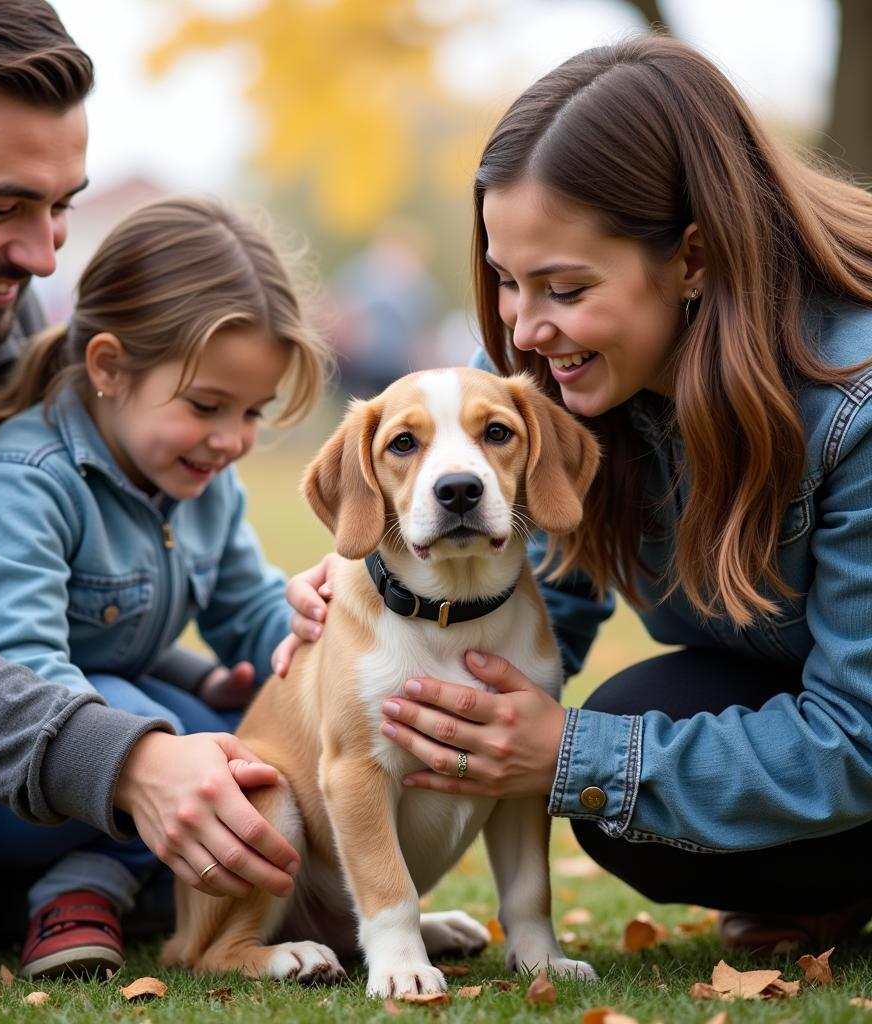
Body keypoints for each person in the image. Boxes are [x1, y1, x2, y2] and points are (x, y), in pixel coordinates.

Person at [284, 35, 872, 954]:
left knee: (605, 763)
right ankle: (822, 887)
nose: (523, 328)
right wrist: (381, 581)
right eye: (507, 282)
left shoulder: (854, 406)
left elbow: (861, 735)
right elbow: (523, 572)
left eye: (562, 287)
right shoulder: (543, 369)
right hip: (792, 700)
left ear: (694, 259)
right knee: (624, 759)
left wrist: (570, 755)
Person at [0, 0, 301, 982]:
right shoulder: (29, 430)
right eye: (6, 206)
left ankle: (71, 879)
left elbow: (104, 583)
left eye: (62, 206)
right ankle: (54, 889)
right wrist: (132, 761)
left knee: (226, 754)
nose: (47, 255)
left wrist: (228, 681)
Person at [0, 194, 329, 977]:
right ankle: (75, 887)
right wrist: (166, 733)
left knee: (251, 750)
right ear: (108, 367)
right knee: (169, 729)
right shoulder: (26, 482)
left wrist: (313, 635)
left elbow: (249, 611)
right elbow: (22, 671)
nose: (232, 441)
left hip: (114, 747)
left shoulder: (204, 481)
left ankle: (103, 882)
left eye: (252, 412)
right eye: (208, 405)